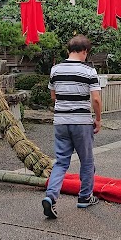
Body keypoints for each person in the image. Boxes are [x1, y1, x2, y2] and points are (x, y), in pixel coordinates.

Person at [42, 35, 102, 219]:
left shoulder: (55, 70)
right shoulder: (89, 71)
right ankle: (85, 197)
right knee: (86, 160)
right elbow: (96, 99)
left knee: (61, 162)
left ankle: (51, 196)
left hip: (60, 121)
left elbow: (53, 96)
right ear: (84, 51)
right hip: (81, 122)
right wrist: (98, 119)